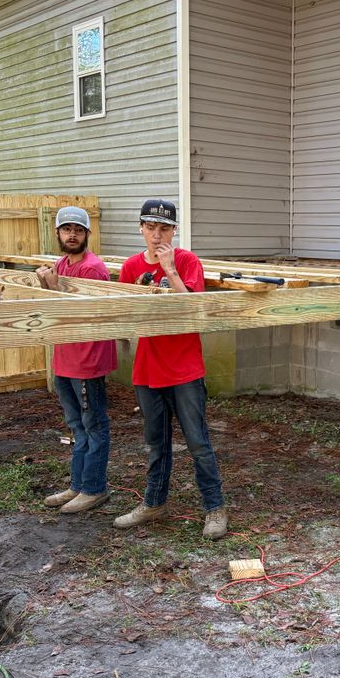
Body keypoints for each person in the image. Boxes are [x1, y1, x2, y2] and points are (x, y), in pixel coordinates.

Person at [112, 199, 229, 540]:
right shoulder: (131, 266)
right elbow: (125, 312)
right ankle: (154, 503)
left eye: (164, 228)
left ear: (174, 230)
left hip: (184, 369)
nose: (157, 234)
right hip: (148, 369)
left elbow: (194, 311)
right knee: (156, 443)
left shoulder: (188, 261)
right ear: (141, 229)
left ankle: (215, 507)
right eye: (150, 227)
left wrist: (171, 270)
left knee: (198, 442)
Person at [35, 205, 117, 514]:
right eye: (67, 229)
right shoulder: (61, 264)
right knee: (77, 426)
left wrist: (54, 288)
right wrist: (46, 285)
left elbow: (87, 316)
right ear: (57, 233)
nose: (72, 234)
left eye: (78, 230)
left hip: (88, 359)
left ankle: (94, 488)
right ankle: (78, 485)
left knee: (94, 424)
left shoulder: (92, 268)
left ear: (87, 235)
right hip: (65, 357)